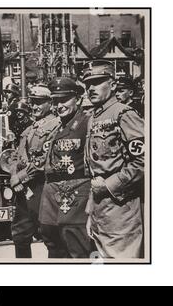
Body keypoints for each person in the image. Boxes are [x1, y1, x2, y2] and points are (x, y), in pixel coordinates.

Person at [83, 60, 144, 258]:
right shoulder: (94, 117)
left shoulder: (124, 114)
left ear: (113, 84)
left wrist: (110, 185)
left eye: (98, 81)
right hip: (100, 208)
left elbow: (144, 161)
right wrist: (91, 209)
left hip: (122, 205)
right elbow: (95, 169)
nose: (91, 88)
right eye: (88, 84)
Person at [38, 77, 93, 258]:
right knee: (53, 245)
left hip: (75, 196)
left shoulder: (87, 123)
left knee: (76, 247)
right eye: (55, 101)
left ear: (77, 99)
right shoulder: (57, 126)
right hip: (52, 197)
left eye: (64, 100)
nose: (59, 105)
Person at [9, 85, 61, 258]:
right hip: (23, 188)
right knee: (20, 235)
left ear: (50, 103)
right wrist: (13, 176)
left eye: (39, 102)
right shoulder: (30, 128)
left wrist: (20, 178)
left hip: (42, 186)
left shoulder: (55, 126)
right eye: (33, 102)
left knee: (50, 234)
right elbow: (15, 155)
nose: (35, 106)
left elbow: (44, 160)